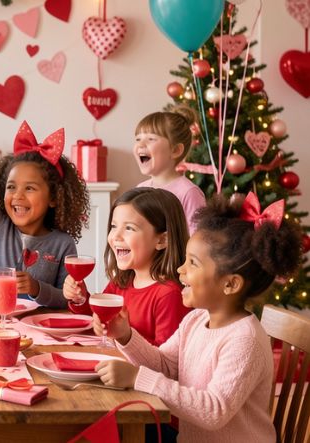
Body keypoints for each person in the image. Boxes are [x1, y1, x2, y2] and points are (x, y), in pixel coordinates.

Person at [94, 192, 302, 442]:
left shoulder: (245, 340)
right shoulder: (196, 320)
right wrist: (126, 336)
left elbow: (213, 411)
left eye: (192, 263)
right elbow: (165, 366)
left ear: (230, 284)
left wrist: (138, 377)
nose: (180, 269)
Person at [0, 98, 89, 307]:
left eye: (29, 188)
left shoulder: (63, 244)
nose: (18, 196)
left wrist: (37, 288)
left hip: (35, 327)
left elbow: (65, 299)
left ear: (53, 198)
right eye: (11, 187)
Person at [64, 188, 191, 345]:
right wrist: (80, 298)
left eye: (129, 228)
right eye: (113, 226)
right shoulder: (121, 282)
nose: (116, 236)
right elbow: (98, 323)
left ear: (162, 240)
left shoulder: (169, 295)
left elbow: (167, 357)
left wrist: (126, 337)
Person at [133, 105, 206, 233]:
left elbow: (198, 238)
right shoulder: (139, 189)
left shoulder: (189, 193)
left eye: (151, 139)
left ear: (175, 150)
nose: (140, 144)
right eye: (138, 139)